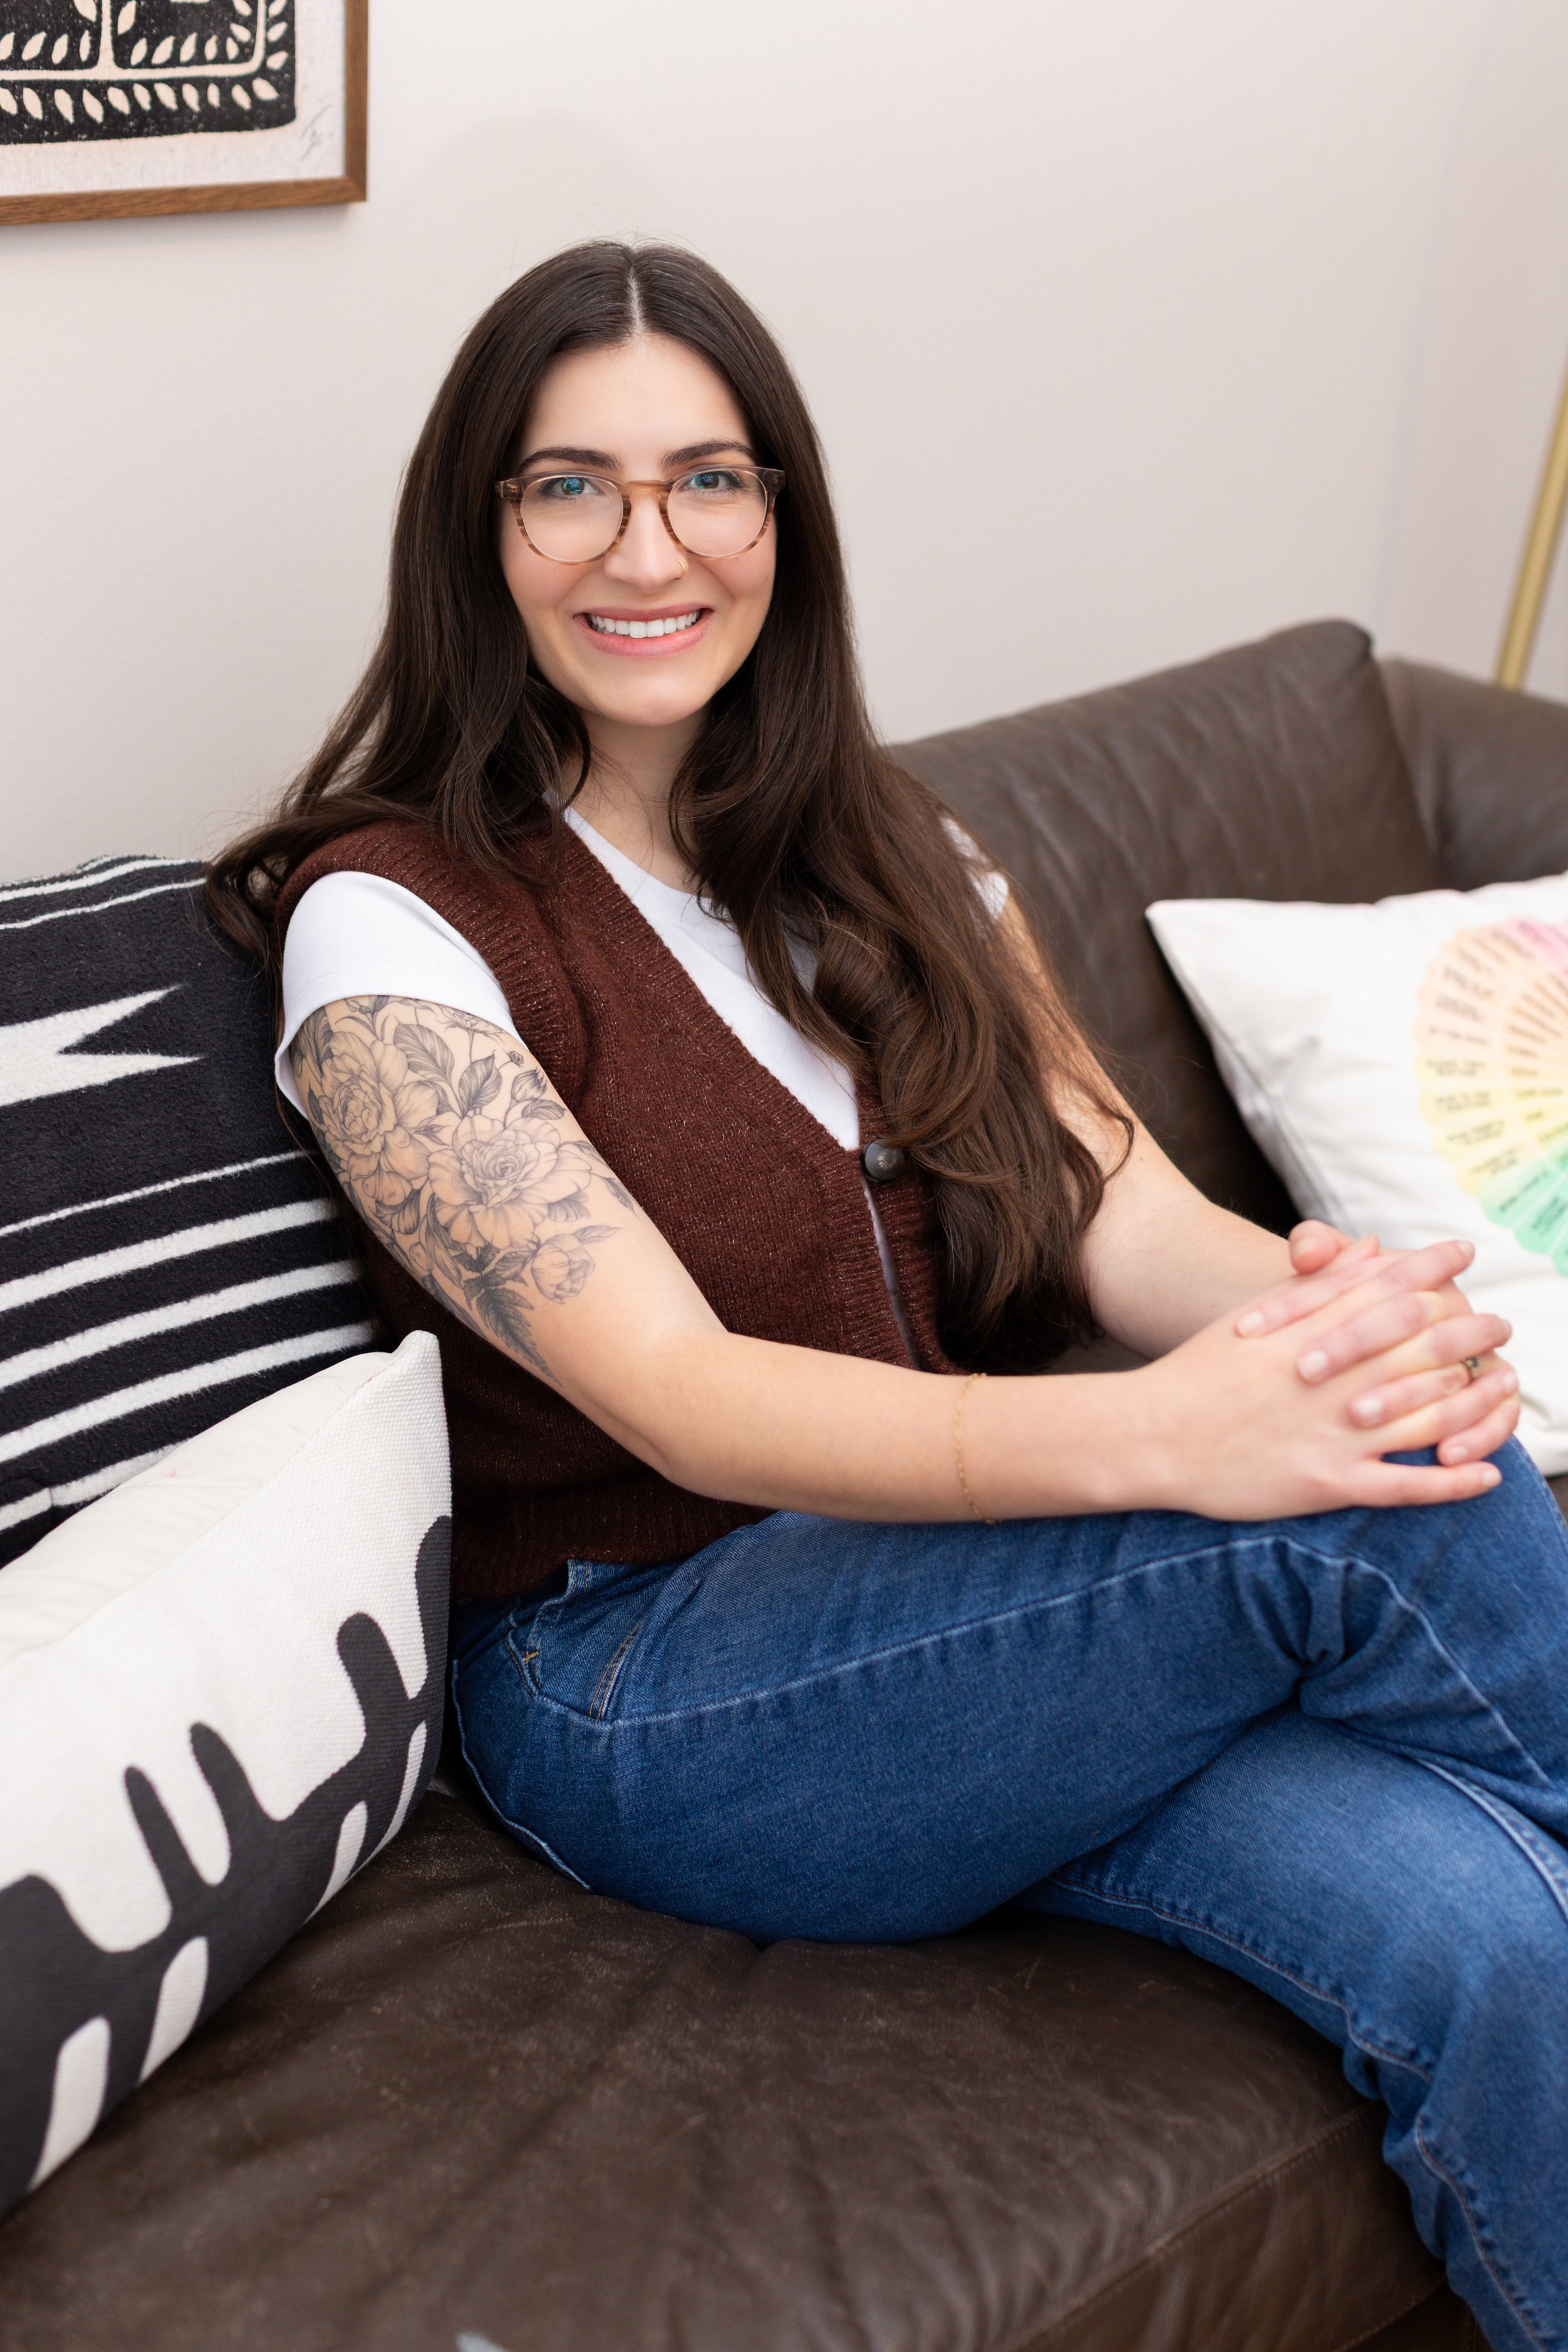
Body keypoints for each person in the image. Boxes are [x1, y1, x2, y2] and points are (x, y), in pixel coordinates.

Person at [209, 242, 1568, 2349]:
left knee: (1487, 1928)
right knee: (1377, 1491)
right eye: (567, 487)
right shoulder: (393, 930)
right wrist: (1190, 1433)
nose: (646, 547)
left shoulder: (888, 846)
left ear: (784, 519)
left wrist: (1324, 1312)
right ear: (475, 538)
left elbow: (1120, 1213)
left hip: (969, 1631)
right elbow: (675, 1396)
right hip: (649, 1681)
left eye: (709, 481)